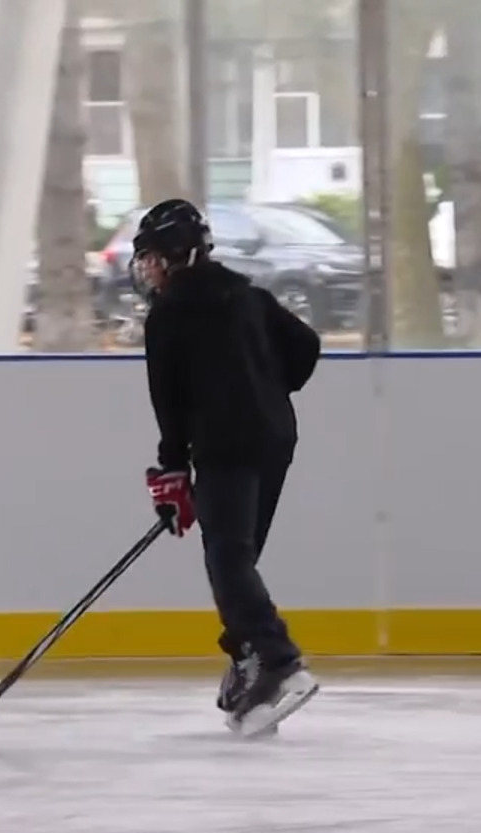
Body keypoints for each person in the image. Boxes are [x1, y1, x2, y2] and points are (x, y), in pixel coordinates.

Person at [132, 198, 321, 738]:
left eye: (151, 257)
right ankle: (248, 659)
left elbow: (168, 402)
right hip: (275, 437)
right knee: (238, 559)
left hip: (226, 446)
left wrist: (172, 472)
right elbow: (306, 347)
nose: (147, 269)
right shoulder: (249, 296)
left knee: (228, 559)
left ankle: (277, 660)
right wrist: (263, 386)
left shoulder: (168, 315)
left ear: (175, 256)